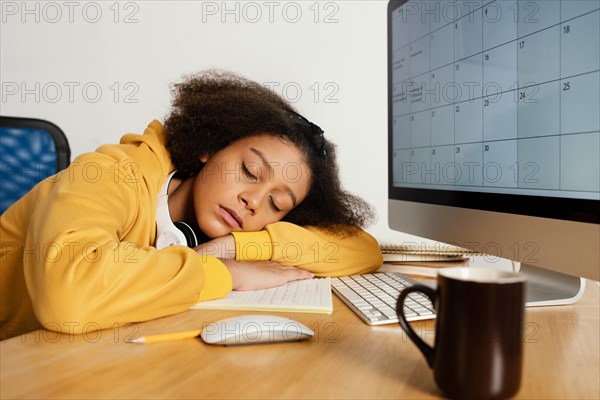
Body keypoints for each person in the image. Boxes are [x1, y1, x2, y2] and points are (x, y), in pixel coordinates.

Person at [0, 70, 382, 340]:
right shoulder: (106, 173)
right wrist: (222, 272)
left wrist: (244, 246)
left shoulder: (233, 229)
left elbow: (363, 250)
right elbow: (67, 298)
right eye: (250, 171)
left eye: (277, 203)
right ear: (208, 148)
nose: (253, 201)